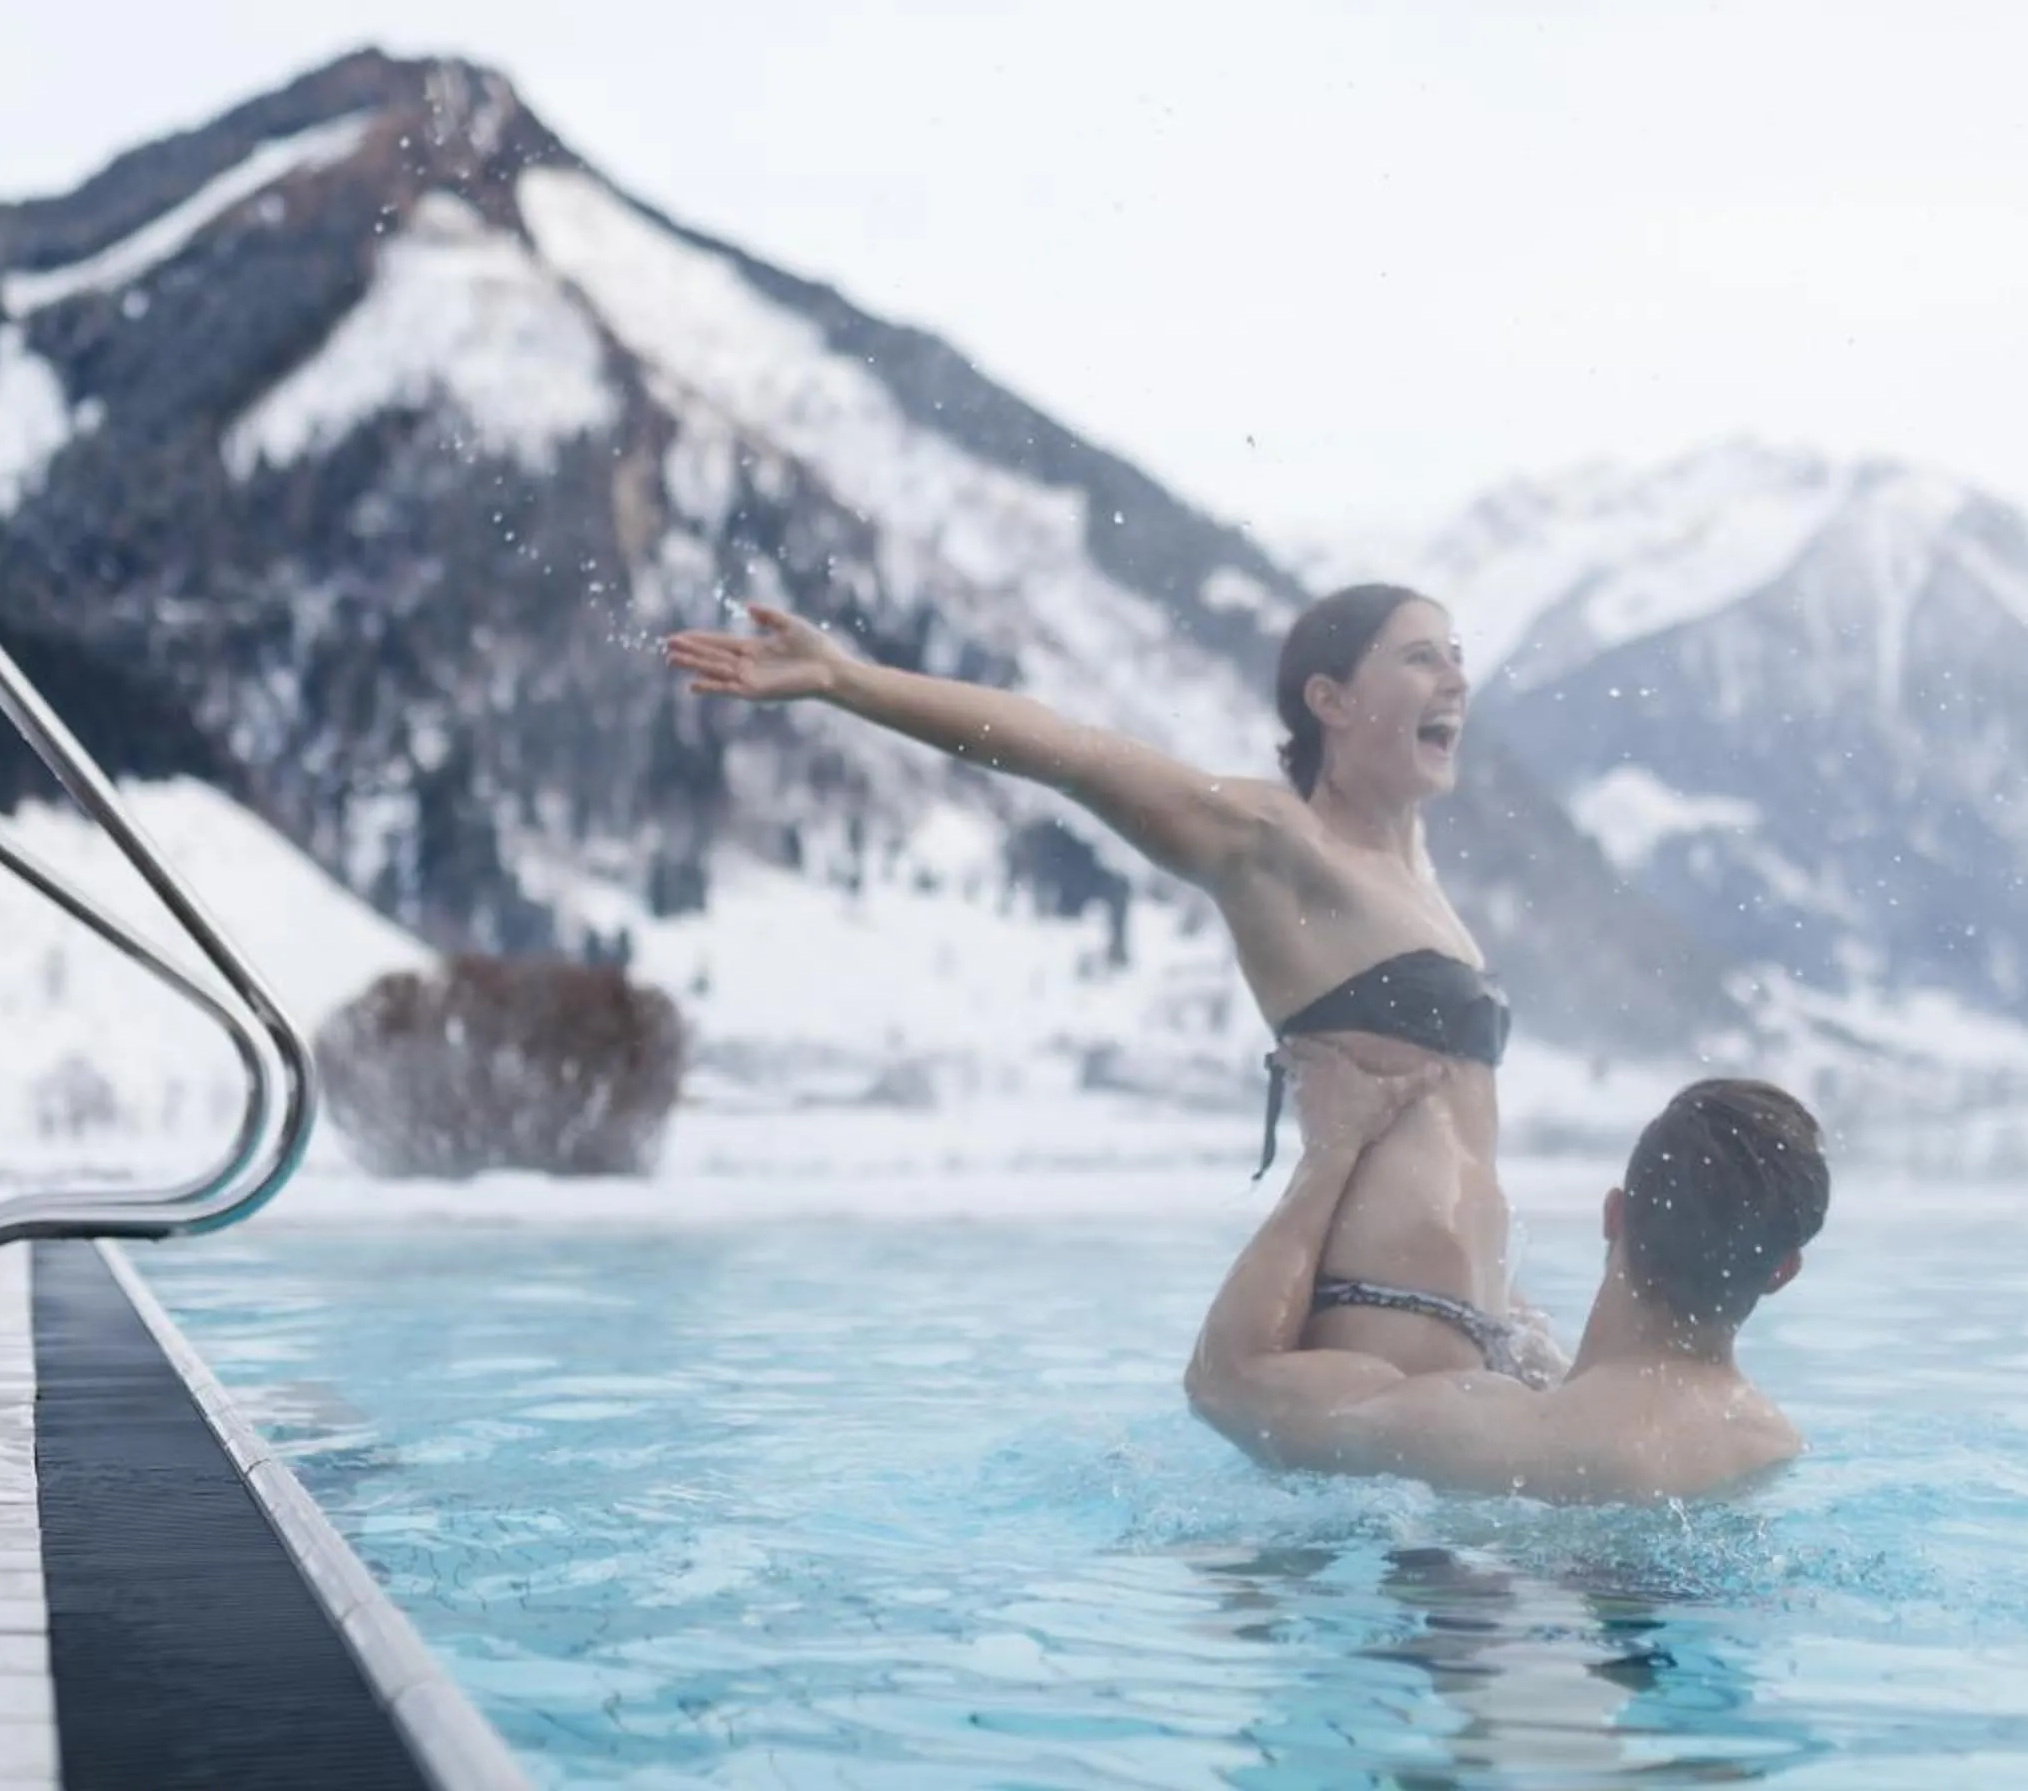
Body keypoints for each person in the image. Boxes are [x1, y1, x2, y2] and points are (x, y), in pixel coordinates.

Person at [664, 586, 1559, 1384]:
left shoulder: (1424, 883)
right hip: (1381, 1317)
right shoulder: (1273, 842)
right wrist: (844, 680)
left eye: (1457, 657)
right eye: (1419, 657)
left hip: (1475, 1325)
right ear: (1331, 699)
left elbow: (1448, 1131)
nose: (1454, 678)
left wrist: (1507, 1309)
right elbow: (1070, 751)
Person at [1182, 1073, 1829, 1502]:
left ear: (1613, 1214)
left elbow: (1226, 1382)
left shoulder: (1517, 1438)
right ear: (1782, 1272)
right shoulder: (1772, 1446)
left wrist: (1330, 1151)